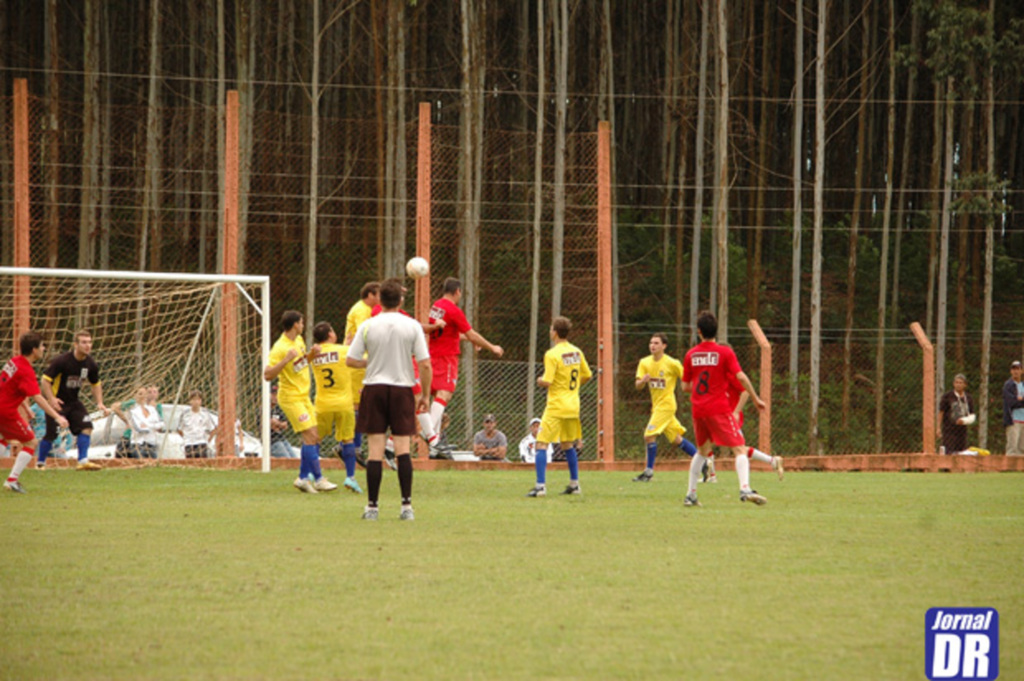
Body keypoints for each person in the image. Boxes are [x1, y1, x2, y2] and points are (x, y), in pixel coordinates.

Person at [347, 279, 432, 520]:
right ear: (401, 301)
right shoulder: (412, 325)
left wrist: (371, 362)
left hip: (373, 389)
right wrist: (424, 395)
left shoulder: (368, 325)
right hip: (402, 389)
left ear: (380, 300)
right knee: (403, 450)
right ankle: (406, 508)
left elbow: (351, 360)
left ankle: (372, 508)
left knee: (375, 451)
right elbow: (425, 364)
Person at [681, 310, 768, 507]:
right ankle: (745, 488)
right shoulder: (724, 352)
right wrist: (755, 398)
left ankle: (691, 494)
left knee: (702, 451)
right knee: (739, 448)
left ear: (699, 331)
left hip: (698, 409)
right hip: (718, 408)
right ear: (715, 331)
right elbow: (741, 377)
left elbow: (685, 387)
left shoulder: (691, 354)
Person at [425, 277, 503, 454]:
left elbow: (449, 333)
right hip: (447, 357)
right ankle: (428, 433)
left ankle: (433, 447)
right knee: (444, 393)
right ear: (457, 291)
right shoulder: (453, 310)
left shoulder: (436, 306)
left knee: (437, 395)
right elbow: (471, 332)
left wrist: (469, 339)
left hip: (433, 353)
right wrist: (491, 347)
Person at [264, 310, 337, 493]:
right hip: (290, 398)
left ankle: (303, 478)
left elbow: (299, 365)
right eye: (302, 322)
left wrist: (312, 354)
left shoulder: (299, 341)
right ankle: (319, 479)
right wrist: (285, 359)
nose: (303, 326)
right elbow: (268, 374)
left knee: (315, 436)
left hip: (303, 396)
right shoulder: (280, 347)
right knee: (311, 435)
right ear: (295, 324)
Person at [526, 316, 592, 497]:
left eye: (550, 329)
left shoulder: (552, 354)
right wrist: (574, 386)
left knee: (541, 443)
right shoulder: (576, 352)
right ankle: (575, 484)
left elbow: (547, 380)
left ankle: (540, 487)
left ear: (554, 332)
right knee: (567, 444)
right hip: (573, 404)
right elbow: (587, 375)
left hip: (556, 405)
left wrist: (539, 380)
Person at [1, 332, 70, 492]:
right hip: (6, 411)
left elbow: (12, 388)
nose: (44, 349)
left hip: (3, 407)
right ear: (34, 350)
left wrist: (25, 408)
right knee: (31, 442)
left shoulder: (14, 361)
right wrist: (57, 417)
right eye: (42, 346)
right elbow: (38, 398)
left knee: (4, 438)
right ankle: (12, 480)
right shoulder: (26, 371)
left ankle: (11, 480)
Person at [36, 329, 109, 471]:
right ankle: (40, 463)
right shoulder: (62, 361)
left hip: (74, 402)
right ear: (75, 344)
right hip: (58, 403)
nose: (87, 345)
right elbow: (45, 380)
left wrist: (100, 403)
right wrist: (51, 399)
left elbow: (96, 384)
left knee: (87, 426)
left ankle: (82, 461)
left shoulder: (90, 364)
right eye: (83, 342)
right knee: (52, 434)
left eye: (89, 342)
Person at [632, 333, 699, 482]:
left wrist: (699, 392)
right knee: (676, 439)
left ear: (664, 346)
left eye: (656, 343)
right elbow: (637, 386)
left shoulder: (672, 363)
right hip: (656, 407)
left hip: (667, 405)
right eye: (651, 343)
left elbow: (688, 378)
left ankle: (648, 472)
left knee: (649, 436)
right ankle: (703, 462)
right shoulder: (644, 362)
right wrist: (642, 381)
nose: (652, 346)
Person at [702, 374, 785, 484]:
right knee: (709, 441)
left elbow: (745, 391)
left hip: (729, 417)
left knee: (739, 449)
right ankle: (772, 461)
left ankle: (772, 461)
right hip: (721, 415)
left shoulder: (730, 375)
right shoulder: (715, 374)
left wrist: (736, 412)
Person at [311, 321, 362, 493]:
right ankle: (350, 477)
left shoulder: (313, 355)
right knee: (348, 439)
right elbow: (352, 356)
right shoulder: (343, 351)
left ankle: (312, 472)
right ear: (331, 335)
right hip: (344, 403)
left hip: (323, 403)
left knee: (315, 439)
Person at [345, 282, 380, 454]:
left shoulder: (367, 310)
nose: (380, 299)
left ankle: (354, 446)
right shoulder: (361, 311)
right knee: (357, 407)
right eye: (378, 295)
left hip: (363, 363)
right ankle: (353, 447)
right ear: (371, 295)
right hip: (359, 365)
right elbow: (364, 333)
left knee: (362, 406)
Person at [938, 373, 976, 455]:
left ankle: (958, 467)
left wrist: (965, 421)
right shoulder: (947, 396)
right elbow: (941, 412)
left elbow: (972, 414)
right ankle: (947, 467)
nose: (958, 385)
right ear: (953, 384)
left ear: (965, 385)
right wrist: (938, 428)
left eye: (960, 383)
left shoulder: (968, 398)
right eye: (956, 382)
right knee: (949, 451)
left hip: (962, 430)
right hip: (949, 429)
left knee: (961, 451)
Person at [177, 390, 216, 458]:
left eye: (198, 399)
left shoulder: (205, 413)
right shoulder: (185, 414)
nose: (196, 402)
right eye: (194, 399)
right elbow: (179, 429)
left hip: (201, 443)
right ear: (190, 401)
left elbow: (213, 429)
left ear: (201, 401)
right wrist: (186, 437)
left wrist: (207, 440)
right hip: (189, 443)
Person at [130, 386, 165, 459]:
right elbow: (139, 428)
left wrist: (147, 425)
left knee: (154, 467)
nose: (143, 396)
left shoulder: (152, 410)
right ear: (135, 396)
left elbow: (161, 424)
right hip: (138, 445)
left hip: (151, 443)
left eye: (145, 394)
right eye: (140, 394)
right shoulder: (133, 412)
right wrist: (153, 426)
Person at [269, 385, 299, 459]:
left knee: (295, 459)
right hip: (272, 441)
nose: (275, 397)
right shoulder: (264, 408)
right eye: (273, 394)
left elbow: (285, 425)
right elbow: (269, 424)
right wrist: (278, 424)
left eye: (277, 395)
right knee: (287, 459)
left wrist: (276, 424)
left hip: (282, 438)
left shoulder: (278, 409)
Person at [1002, 360, 1024, 456]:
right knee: (1012, 447)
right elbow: (1011, 402)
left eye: (1018, 369)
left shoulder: (1023, 385)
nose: (1016, 372)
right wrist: (1019, 400)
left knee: (1021, 448)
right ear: (1011, 371)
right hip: (1013, 420)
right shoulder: (1008, 385)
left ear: (1022, 371)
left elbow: (1017, 401)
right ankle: (1009, 468)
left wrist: (1020, 400)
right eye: (1014, 369)